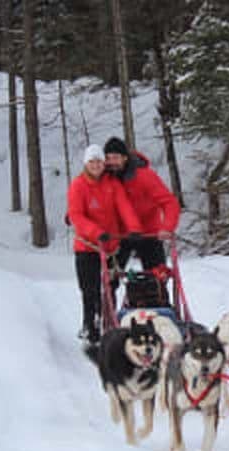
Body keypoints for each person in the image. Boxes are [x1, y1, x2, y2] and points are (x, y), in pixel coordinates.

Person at [68, 144, 142, 344]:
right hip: (88, 246)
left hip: (111, 246)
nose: (96, 165)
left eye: (99, 161)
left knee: (111, 286)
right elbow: (76, 215)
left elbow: (124, 207)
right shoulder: (78, 185)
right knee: (90, 288)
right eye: (92, 161)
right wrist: (96, 232)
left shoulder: (112, 184)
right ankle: (89, 324)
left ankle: (108, 322)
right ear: (86, 163)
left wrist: (134, 228)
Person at [103, 137, 181, 284]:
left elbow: (169, 202)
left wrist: (167, 227)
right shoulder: (105, 177)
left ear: (125, 158)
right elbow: (89, 196)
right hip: (119, 235)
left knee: (157, 278)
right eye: (108, 158)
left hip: (148, 232)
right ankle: (108, 305)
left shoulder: (144, 176)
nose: (112, 162)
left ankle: (158, 304)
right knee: (109, 280)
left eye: (116, 157)